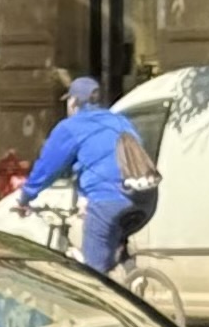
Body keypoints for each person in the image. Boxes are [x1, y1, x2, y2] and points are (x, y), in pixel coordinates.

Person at [14, 76, 155, 276]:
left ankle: (98, 295)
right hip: (145, 198)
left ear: (73, 102)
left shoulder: (71, 127)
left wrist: (25, 197)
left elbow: (47, 168)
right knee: (113, 244)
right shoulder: (119, 120)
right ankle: (130, 275)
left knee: (92, 273)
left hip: (109, 200)